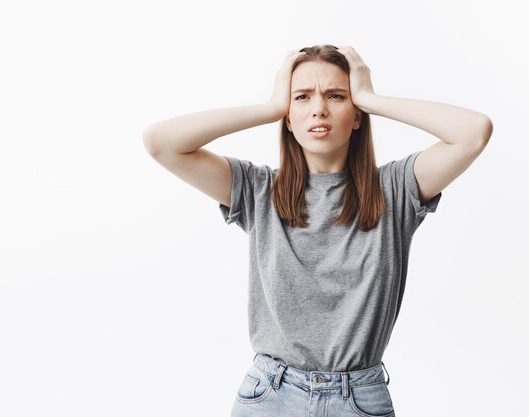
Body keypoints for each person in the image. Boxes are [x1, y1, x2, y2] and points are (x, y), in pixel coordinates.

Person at [142, 45, 492, 417]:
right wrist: (270, 107)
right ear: (288, 118)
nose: (319, 108)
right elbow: (161, 143)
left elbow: (473, 132)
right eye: (303, 97)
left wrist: (371, 98)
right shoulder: (259, 189)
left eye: (336, 96)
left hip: (359, 399)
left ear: (357, 115)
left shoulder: (396, 188)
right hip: (270, 395)